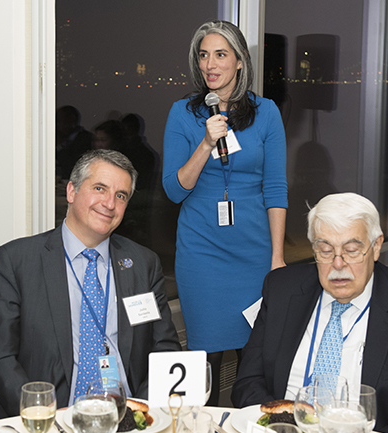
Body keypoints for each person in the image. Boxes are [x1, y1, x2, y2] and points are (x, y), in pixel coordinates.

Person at [231, 193, 388, 432]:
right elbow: (247, 383)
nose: (338, 265)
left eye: (351, 250)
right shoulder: (281, 290)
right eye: (326, 250)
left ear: (376, 246)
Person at [0, 149, 181, 418]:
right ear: (72, 192)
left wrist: (137, 412)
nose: (109, 203)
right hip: (47, 418)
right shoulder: (16, 261)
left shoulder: (143, 263)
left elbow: (165, 350)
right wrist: (43, 414)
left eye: (120, 196)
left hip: (126, 416)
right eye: (100, 188)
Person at [162, 20, 287, 404]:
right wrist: (205, 143)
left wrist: (277, 256)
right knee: (206, 360)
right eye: (203, 55)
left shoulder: (266, 113)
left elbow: (276, 188)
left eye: (220, 54)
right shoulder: (183, 113)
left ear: (239, 61)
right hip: (202, 253)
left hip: (254, 251)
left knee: (254, 360)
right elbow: (173, 189)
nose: (210, 64)